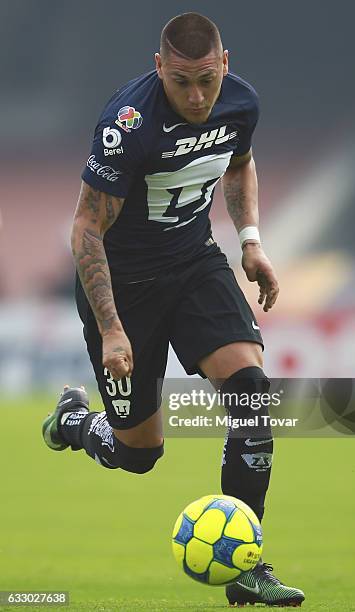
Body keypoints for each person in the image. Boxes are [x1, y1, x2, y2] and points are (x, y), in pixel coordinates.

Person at [42, 12, 305, 607]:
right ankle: (77, 423)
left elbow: (237, 163)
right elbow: (86, 226)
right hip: (124, 284)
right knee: (140, 453)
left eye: (206, 80)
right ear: (159, 67)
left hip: (194, 264)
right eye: (181, 81)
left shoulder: (240, 105)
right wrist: (111, 328)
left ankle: (247, 570)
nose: (195, 95)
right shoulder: (126, 126)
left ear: (225, 65)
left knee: (251, 393)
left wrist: (251, 242)